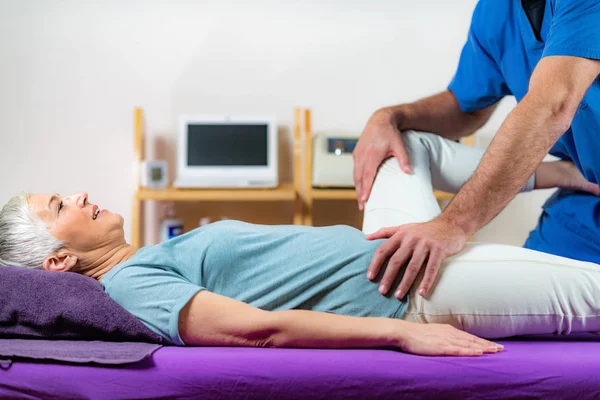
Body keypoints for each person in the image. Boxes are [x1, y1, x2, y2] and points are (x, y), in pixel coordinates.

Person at [2, 132, 600, 357]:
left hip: (393, 242)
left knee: (399, 143)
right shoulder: (131, 286)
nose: (78, 197)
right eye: (60, 207)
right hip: (408, 291)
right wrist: (402, 332)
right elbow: (257, 330)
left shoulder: (147, 258)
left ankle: (568, 173)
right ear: (59, 260)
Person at [353, 0, 600, 301]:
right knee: (505, 308)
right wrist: (392, 116)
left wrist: (453, 224)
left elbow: (553, 105)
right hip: (583, 213)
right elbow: (465, 106)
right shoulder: (497, 9)